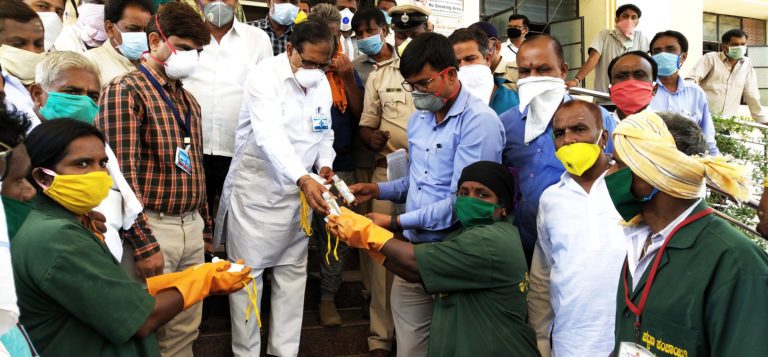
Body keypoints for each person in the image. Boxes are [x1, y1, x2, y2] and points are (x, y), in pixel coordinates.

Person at [13, 118, 250, 357]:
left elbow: (111, 296)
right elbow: (141, 319)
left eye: (102, 162)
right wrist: (203, 282)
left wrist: (190, 276)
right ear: (43, 178)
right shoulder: (58, 237)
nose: (98, 174)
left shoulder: (64, 223)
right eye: (81, 164)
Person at [348, 32, 506, 357]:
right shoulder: (419, 119)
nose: (418, 93)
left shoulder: (478, 123)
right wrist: (377, 189)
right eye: (411, 85)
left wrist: (393, 221)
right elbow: (416, 182)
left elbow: (463, 203)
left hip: (454, 253)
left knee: (452, 347)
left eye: (424, 84)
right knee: (410, 349)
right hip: (413, 251)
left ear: (450, 74)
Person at [214, 19, 337, 357]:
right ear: (289, 49)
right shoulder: (263, 76)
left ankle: (284, 352)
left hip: (299, 199)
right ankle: (247, 353)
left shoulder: (321, 82)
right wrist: (304, 177)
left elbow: (324, 130)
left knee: (292, 280)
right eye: (307, 62)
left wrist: (324, 164)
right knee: (247, 282)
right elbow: (270, 136)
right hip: (257, 194)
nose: (313, 70)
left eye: (321, 64)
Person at [328, 161, 539, 357]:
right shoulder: (475, 234)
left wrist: (368, 232)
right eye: (464, 193)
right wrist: (367, 243)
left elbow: (414, 262)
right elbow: (417, 273)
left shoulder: (489, 239)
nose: (470, 200)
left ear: (503, 206)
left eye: (482, 195)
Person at [95, 4, 212, 357]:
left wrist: (203, 230)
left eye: (198, 51)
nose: (191, 57)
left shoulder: (189, 100)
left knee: (184, 330)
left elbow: (196, 167)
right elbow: (121, 177)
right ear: (154, 40)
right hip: (151, 229)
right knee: (145, 331)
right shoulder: (124, 91)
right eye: (184, 47)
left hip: (189, 226)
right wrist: (144, 243)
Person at [607, 110, 768, 356]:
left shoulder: (736, 264)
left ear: (658, 172)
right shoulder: (639, 239)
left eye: (619, 164)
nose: (609, 174)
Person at [498, 34, 617, 265]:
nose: (532, 79)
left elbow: (616, 173)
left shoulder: (598, 120)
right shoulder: (505, 123)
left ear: (563, 71)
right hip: (516, 247)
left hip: (575, 248)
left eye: (543, 70)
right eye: (524, 72)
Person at [527, 100, 626, 357]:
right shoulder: (551, 199)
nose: (568, 140)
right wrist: (539, 337)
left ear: (603, 137)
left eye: (579, 129)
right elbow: (542, 275)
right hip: (570, 342)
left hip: (628, 340)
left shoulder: (630, 187)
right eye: (559, 133)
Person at [353, 6, 423, 356]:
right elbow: (366, 124)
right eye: (401, 34)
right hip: (389, 173)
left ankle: (421, 336)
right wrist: (371, 138)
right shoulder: (380, 76)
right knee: (381, 256)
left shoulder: (447, 71)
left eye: (414, 33)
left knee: (424, 253)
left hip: (434, 180)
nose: (406, 39)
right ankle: (381, 336)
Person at [29, 51, 143, 261]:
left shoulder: (97, 144)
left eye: (92, 96)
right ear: (37, 94)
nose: (84, 102)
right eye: (71, 92)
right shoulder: (21, 151)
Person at [182, 0, 272, 229]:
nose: (219, 2)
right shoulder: (184, 37)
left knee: (239, 221)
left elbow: (267, 93)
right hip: (191, 148)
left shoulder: (257, 39)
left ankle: (235, 265)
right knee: (192, 219)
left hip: (239, 149)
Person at [305, 6, 364, 328]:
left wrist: (345, 78)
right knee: (296, 236)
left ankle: (328, 296)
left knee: (336, 237)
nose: (332, 44)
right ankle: (292, 291)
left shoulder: (346, 69)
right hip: (298, 170)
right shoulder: (299, 70)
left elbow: (360, 115)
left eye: (336, 36)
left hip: (338, 166)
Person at [647, 30, 719, 156]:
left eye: (670, 49)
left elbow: (708, 139)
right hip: (649, 163)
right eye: (657, 51)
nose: (663, 55)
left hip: (689, 165)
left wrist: (719, 167)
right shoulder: (643, 90)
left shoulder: (695, 93)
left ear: (683, 56)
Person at [686, 29, 766, 123]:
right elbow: (690, 81)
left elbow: (751, 94)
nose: (740, 47)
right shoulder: (711, 59)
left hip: (726, 123)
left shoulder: (746, 64)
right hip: (702, 119)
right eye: (735, 45)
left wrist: (762, 121)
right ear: (724, 46)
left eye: (743, 44)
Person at [566, 4, 649, 93]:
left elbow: (646, 65)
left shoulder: (640, 37)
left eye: (633, 18)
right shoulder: (605, 35)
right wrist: (576, 80)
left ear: (637, 22)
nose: (629, 20)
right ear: (616, 19)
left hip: (630, 98)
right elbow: (593, 58)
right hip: (605, 98)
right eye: (625, 16)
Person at [448, 27, 518, 114]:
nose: (463, 66)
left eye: (470, 59)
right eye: (456, 62)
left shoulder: (513, 103)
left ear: (488, 59)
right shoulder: (445, 104)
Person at [84, 0, 154, 86]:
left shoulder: (152, 62)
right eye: (133, 29)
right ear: (109, 28)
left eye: (146, 30)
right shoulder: (91, 62)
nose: (142, 35)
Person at [1, 0, 45, 127]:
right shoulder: (3, 92)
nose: (32, 51)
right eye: (18, 44)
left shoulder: (57, 86)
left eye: (38, 44)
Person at [607, 50, 658, 125]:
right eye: (621, 76)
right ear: (610, 91)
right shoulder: (597, 128)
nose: (630, 82)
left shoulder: (668, 128)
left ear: (654, 89)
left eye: (639, 75)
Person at [469, 21, 519, 92]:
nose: (476, 54)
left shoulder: (517, 74)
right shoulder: (467, 74)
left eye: (482, 48)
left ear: (497, 47)